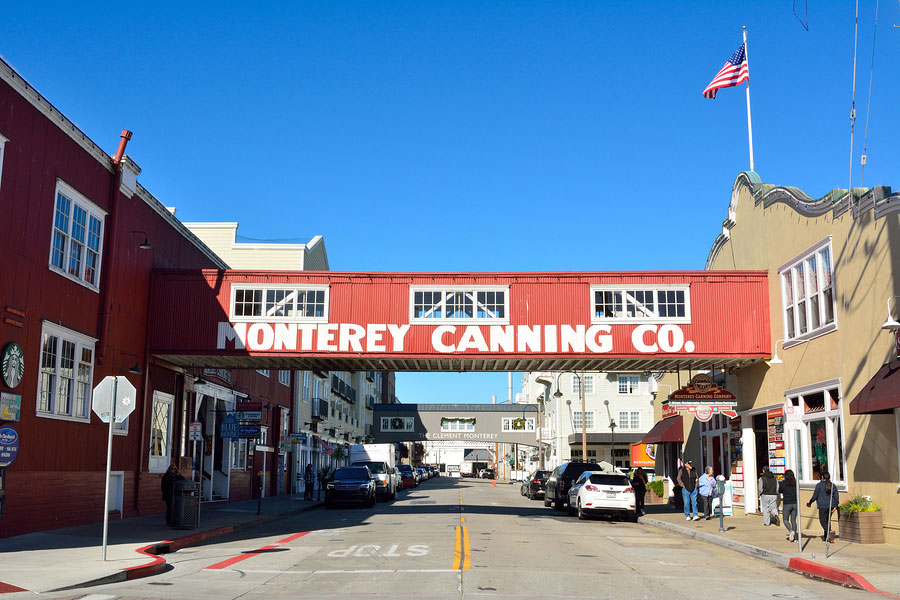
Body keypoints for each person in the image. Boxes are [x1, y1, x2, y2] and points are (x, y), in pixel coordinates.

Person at [807, 472, 840, 541]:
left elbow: (815, 495)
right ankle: (827, 538)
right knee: (828, 521)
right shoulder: (832, 485)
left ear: (822, 477)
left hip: (822, 506)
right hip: (831, 506)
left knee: (822, 521)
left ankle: (830, 531)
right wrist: (836, 505)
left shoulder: (819, 485)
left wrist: (810, 502)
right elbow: (836, 496)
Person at [779, 469, 799, 542]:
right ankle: (794, 536)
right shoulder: (795, 483)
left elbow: (779, 490)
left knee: (785, 520)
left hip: (787, 503)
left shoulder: (783, 483)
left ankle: (791, 532)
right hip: (795, 503)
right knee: (793, 520)